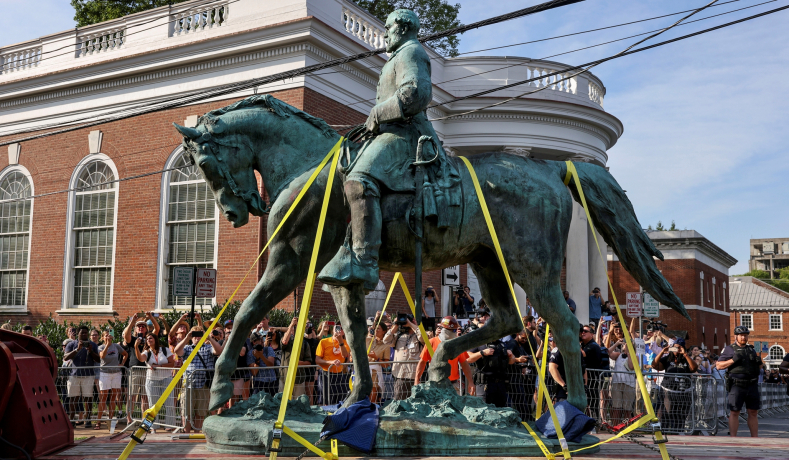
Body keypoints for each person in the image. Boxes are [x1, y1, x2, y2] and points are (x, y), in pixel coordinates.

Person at [316, 8, 460, 292]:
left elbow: (416, 93)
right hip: (391, 132)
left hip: (406, 134)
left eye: (388, 28)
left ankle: (365, 260)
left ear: (403, 28)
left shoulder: (411, 52)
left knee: (359, 179)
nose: (384, 34)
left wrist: (378, 113)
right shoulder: (398, 56)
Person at [174, 326, 223, 433]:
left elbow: (219, 351)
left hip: (204, 385)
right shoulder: (187, 348)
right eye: (194, 335)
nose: (197, 337)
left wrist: (209, 338)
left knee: (200, 412)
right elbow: (176, 351)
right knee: (186, 412)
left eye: (199, 335)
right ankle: (186, 435)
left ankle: (196, 434)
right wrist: (186, 338)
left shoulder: (208, 347)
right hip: (188, 385)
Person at [717, 325, 762, 437]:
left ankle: (755, 438)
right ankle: (733, 438)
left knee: (753, 412)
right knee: (734, 412)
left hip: (752, 384)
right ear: (735, 336)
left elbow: (759, 368)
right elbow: (718, 365)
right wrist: (733, 360)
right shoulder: (729, 349)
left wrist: (759, 363)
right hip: (736, 385)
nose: (743, 337)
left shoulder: (751, 349)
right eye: (741, 335)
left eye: (745, 335)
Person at [414, 317, 475, 396]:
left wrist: (470, 382)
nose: (454, 332)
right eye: (453, 330)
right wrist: (416, 380)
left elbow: (464, 364)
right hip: (435, 385)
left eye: (455, 330)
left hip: (453, 385)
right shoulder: (431, 343)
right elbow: (422, 362)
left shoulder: (457, 344)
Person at [653, 338, 697, 431]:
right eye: (674, 347)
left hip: (683, 392)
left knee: (681, 415)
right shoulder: (668, 359)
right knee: (667, 412)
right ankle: (665, 431)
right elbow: (654, 365)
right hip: (668, 391)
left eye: (679, 348)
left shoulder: (686, 359)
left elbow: (694, 368)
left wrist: (685, 354)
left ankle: (678, 432)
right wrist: (662, 352)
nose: (676, 350)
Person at [135, 332, 176, 431]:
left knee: (169, 404)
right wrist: (136, 347)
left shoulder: (165, 350)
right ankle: (152, 427)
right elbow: (140, 358)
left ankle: (170, 426)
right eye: (147, 339)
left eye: (151, 338)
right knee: (152, 405)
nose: (148, 340)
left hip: (166, 379)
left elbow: (172, 363)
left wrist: (159, 366)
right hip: (152, 381)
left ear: (155, 339)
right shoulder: (147, 352)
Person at [122, 312, 158, 424]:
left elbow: (157, 329)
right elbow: (126, 334)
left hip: (147, 370)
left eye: (143, 326)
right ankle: (129, 419)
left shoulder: (149, 339)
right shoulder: (133, 339)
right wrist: (133, 321)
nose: (141, 328)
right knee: (131, 396)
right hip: (135, 370)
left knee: (145, 396)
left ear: (146, 329)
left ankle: (144, 420)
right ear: (136, 329)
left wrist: (151, 317)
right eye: (139, 326)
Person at [63, 326, 100, 427]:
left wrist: (91, 351)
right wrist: (77, 349)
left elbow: (98, 360)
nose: (84, 334)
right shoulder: (71, 344)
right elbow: (65, 357)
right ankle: (72, 420)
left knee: (88, 398)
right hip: (74, 375)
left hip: (88, 375)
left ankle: (88, 419)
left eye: (85, 333)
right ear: (78, 334)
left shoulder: (92, 344)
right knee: (73, 398)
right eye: (82, 333)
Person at [383, 314, 424, 400]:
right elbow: (385, 340)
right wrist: (395, 325)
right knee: (399, 401)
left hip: (415, 376)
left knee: (416, 401)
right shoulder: (398, 335)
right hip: (400, 375)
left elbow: (424, 338)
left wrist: (411, 324)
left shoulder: (419, 335)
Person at [96, 330, 127, 430]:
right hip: (104, 374)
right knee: (103, 397)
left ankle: (110, 420)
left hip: (116, 374)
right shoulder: (100, 347)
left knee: (113, 397)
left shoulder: (116, 346)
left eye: (109, 335)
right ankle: (98, 421)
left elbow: (125, 354)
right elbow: (102, 356)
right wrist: (107, 345)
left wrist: (122, 363)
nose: (108, 337)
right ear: (102, 337)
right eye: (106, 336)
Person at [315, 324, 350, 405]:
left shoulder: (345, 343)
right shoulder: (324, 341)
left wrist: (340, 342)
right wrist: (331, 362)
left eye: (341, 328)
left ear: (344, 332)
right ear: (333, 329)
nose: (339, 330)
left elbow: (345, 355)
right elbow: (317, 360)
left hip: (339, 374)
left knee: (341, 399)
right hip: (325, 374)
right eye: (337, 327)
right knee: (325, 400)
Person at [607, 329, 637, 423]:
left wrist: (629, 352)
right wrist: (616, 344)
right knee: (616, 407)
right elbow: (608, 352)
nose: (625, 345)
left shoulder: (635, 356)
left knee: (627, 409)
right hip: (617, 383)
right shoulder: (618, 355)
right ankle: (615, 426)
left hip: (629, 385)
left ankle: (626, 427)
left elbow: (631, 367)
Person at [281, 317, 314, 398]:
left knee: (298, 402)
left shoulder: (305, 343)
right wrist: (291, 325)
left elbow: (309, 362)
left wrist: (299, 363)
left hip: (299, 379)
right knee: (283, 401)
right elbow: (284, 342)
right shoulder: (286, 338)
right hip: (284, 377)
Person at [581, 324, 605, 420]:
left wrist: (574, 342)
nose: (583, 333)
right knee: (584, 402)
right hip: (585, 378)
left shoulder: (593, 346)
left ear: (592, 334)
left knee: (592, 402)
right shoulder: (583, 345)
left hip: (593, 379)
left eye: (585, 331)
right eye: (581, 331)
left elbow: (582, 354)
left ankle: (595, 422)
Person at [365, 321, 392, 403]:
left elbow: (386, 365)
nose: (376, 330)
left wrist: (376, 358)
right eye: (375, 328)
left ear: (384, 331)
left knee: (372, 400)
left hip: (375, 374)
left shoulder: (386, 346)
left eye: (378, 328)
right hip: (363, 372)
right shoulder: (368, 340)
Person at [250, 332, 278, 396]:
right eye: (260, 340)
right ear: (254, 342)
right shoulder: (250, 353)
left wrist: (261, 355)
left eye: (262, 339)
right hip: (258, 382)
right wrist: (257, 358)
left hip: (271, 382)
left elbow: (271, 365)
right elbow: (254, 372)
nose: (262, 341)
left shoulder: (268, 349)